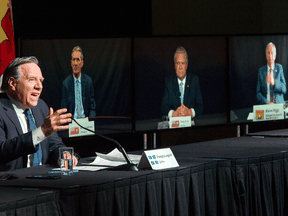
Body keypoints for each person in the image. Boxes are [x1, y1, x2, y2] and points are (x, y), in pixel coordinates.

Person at [0, 56, 78, 171]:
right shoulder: (2, 109)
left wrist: (63, 155)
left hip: (42, 180)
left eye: (41, 81)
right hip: (10, 184)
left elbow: (53, 145)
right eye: (31, 79)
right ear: (12, 83)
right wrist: (41, 132)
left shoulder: (40, 106)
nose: (39, 86)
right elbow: (2, 150)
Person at [161, 46, 203, 118]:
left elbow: (200, 106)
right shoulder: (168, 81)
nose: (180, 67)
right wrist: (173, 113)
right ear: (174, 65)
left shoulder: (194, 80)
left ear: (187, 65)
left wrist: (190, 112)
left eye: (183, 63)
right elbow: (163, 107)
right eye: (178, 63)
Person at [61, 46, 96, 118]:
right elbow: (63, 110)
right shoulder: (66, 83)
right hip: (72, 122)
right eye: (74, 60)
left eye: (78, 60)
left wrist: (91, 121)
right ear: (71, 63)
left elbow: (92, 107)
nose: (75, 63)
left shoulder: (88, 81)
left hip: (86, 120)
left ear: (82, 63)